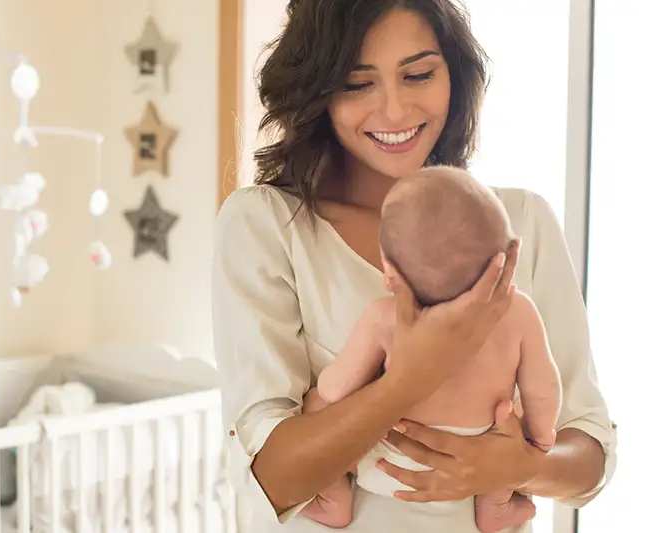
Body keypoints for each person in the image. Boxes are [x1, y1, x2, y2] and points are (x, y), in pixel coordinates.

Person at [211, 1, 617, 531]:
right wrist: (407, 380)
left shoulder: (521, 221)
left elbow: (591, 456)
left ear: (454, 73)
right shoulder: (266, 225)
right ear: (317, 92)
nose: (396, 111)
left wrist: (518, 466)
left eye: (419, 74)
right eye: (357, 84)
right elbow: (269, 479)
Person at [298, 166, 562, 533]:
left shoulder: (384, 318)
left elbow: (336, 389)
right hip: (478, 462)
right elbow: (543, 385)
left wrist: (321, 393)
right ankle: (496, 508)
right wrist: (540, 438)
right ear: (502, 262)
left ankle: (333, 500)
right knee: (509, 421)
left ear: (389, 270)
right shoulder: (517, 313)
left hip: (388, 466)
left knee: (316, 408)